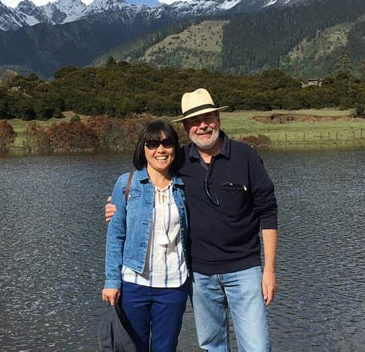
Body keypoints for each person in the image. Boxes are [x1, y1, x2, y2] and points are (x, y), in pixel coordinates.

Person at [108, 88, 278, 352]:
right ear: (186, 127)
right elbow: (150, 183)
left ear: (218, 119)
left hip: (245, 270)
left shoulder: (246, 156)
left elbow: (267, 211)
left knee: (256, 346)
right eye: (194, 122)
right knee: (212, 346)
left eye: (208, 118)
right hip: (200, 275)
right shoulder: (181, 160)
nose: (203, 126)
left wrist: (269, 270)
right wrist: (116, 207)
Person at [103, 119, 190, 352]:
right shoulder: (127, 184)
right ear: (143, 148)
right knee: (132, 347)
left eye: (167, 143)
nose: (160, 149)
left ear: (175, 148)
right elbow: (115, 236)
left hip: (173, 286)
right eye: (152, 143)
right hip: (134, 285)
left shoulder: (184, 186)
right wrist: (112, 281)